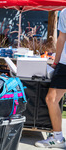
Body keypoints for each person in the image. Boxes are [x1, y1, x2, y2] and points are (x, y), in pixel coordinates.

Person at [35, 8, 66, 148]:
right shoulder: (65, 12)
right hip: (64, 64)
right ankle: (58, 139)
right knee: (51, 99)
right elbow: (61, 38)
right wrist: (55, 62)